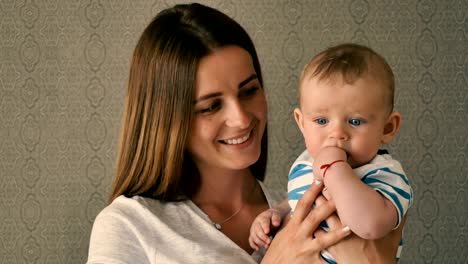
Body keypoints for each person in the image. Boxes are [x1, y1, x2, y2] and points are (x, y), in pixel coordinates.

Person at [87, 3, 402, 263]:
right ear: (168, 120)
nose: (241, 119)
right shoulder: (129, 226)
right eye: (211, 106)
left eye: (249, 90)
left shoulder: (304, 204)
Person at [249, 43, 413, 263]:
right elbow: (301, 200)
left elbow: (371, 226)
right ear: (302, 122)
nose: (336, 133)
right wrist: (277, 213)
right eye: (321, 121)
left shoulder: (384, 173)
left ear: (387, 128)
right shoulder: (305, 162)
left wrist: (335, 170)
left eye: (355, 121)